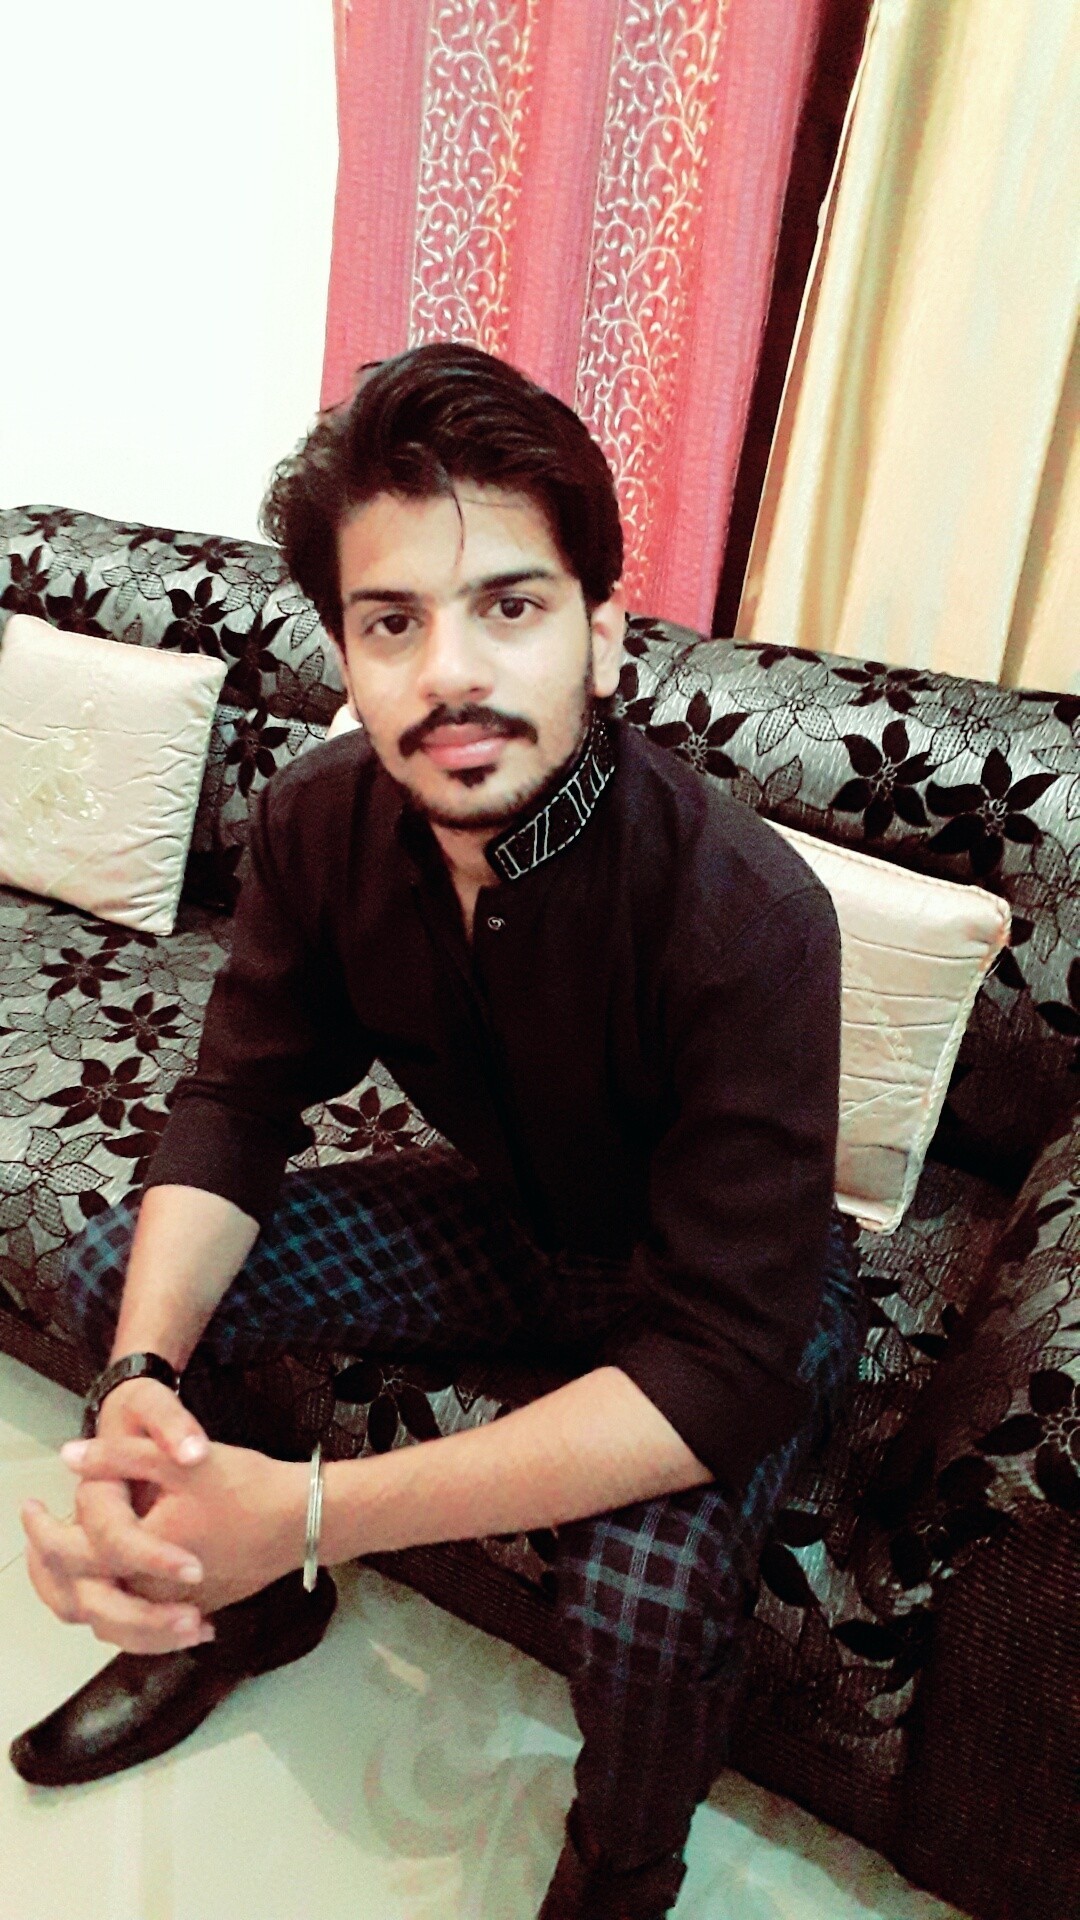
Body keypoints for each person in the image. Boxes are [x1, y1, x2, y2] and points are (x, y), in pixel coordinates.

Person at [10, 342, 867, 1920]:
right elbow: (238, 1102)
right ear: (345, 649)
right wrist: (139, 1393)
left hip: (732, 1297)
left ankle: (622, 1869)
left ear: (604, 632)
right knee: (123, 1274)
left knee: (639, 1600)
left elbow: (723, 1360)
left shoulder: (747, 913)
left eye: (510, 606)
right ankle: (245, 1616)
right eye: (392, 621)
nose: (449, 673)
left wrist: (305, 1513)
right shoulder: (318, 823)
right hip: (514, 1232)